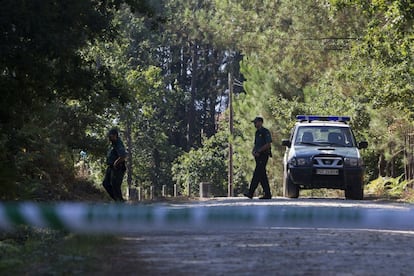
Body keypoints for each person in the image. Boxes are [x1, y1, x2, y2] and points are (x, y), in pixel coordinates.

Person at [244, 117, 272, 199]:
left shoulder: (265, 132)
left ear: (260, 122)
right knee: (262, 175)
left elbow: (268, 144)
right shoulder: (257, 133)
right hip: (258, 156)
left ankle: (250, 192)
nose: (254, 124)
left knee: (257, 174)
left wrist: (259, 151)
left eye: (256, 122)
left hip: (263, 155)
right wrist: (254, 151)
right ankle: (267, 194)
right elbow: (256, 144)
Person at [102, 128, 127, 201]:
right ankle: (117, 200)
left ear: (115, 135)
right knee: (106, 183)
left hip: (117, 168)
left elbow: (123, 156)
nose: (109, 137)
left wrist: (116, 162)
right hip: (110, 167)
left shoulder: (118, 143)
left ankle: (120, 201)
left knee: (115, 185)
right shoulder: (112, 144)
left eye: (111, 136)